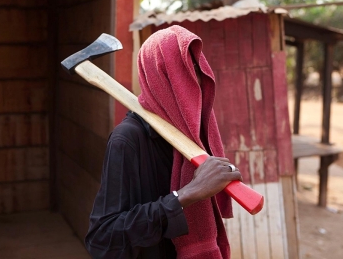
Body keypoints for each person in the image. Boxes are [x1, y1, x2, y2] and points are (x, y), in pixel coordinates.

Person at [85, 25, 242, 259]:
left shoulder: (193, 135)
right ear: (160, 79)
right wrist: (187, 195)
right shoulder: (127, 139)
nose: (195, 83)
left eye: (199, 70)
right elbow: (102, 238)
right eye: (184, 73)